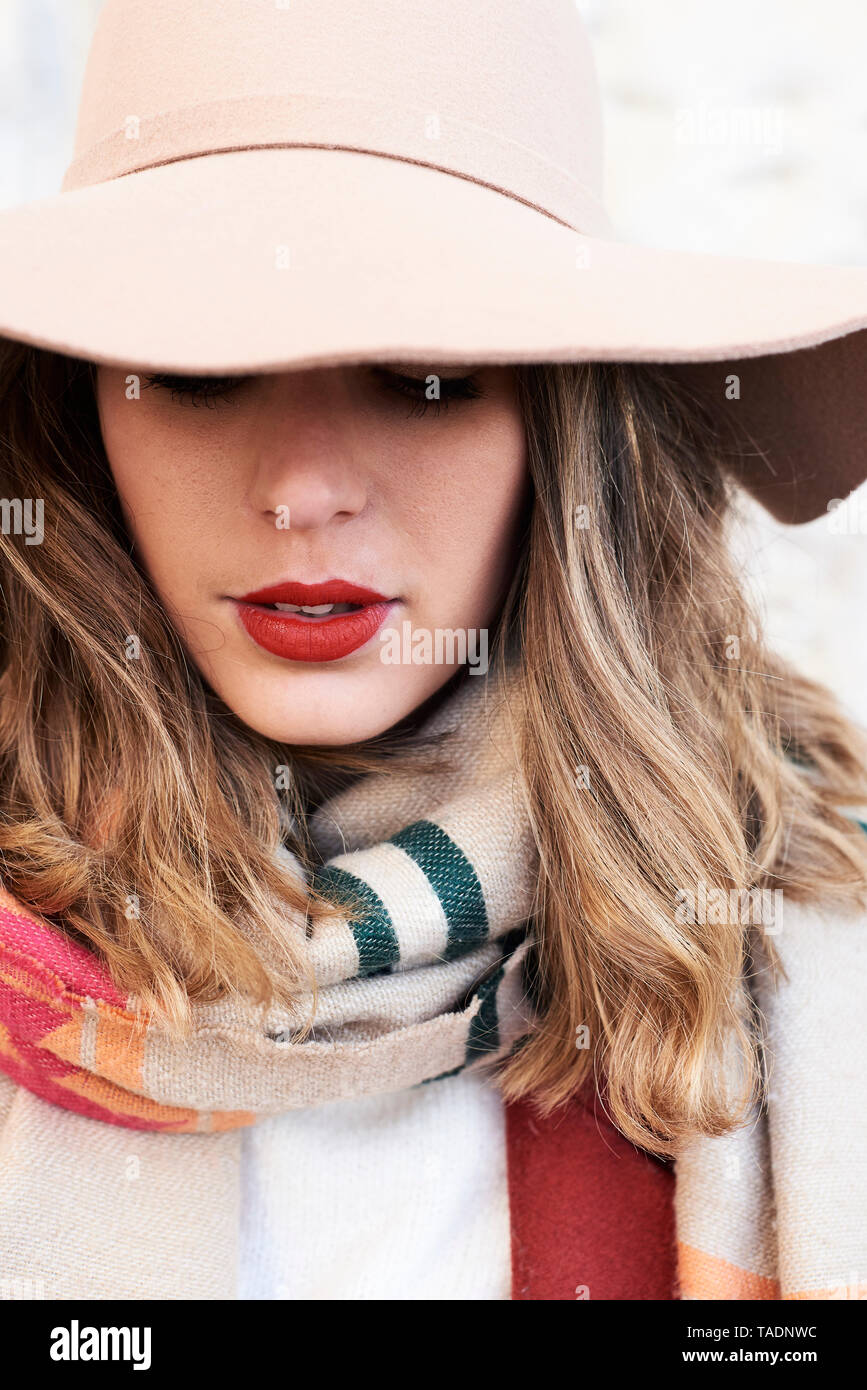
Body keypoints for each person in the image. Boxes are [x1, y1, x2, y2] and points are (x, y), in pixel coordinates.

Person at [0, 0, 865, 1302]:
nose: (301, 490)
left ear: (564, 422)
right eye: (198, 371)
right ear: (76, 412)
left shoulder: (814, 947)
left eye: (421, 375)